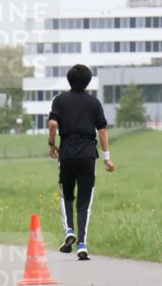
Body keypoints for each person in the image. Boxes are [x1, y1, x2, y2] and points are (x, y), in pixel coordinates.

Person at [47, 64, 116, 261]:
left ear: (69, 80)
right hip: (88, 154)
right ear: (88, 81)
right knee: (85, 202)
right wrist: (107, 159)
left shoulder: (59, 100)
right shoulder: (94, 103)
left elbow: (53, 123)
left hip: (67, 153)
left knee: (66, 195)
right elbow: (102, 130)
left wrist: (52, 144)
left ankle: (69, 230)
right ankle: (82, 244)